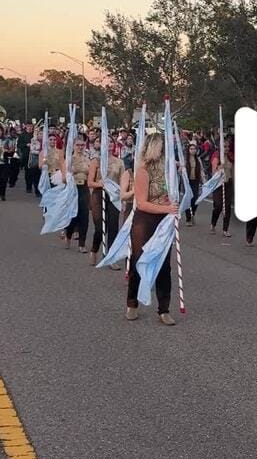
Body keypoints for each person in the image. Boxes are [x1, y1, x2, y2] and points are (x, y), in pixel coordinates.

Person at [126, 133, 178, 324]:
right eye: (163, 146)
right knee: (139, 260)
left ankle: (164, 309)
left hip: (164, 220)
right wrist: (166, 208)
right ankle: (132, 303)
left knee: (164, 265)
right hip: (145, 220)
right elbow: (141, 203)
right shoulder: (143, 171)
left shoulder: (168, 170)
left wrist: (174, 207)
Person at [87, 138, 124, 266]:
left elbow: (122, 182)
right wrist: (100, 184)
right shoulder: (96, 161)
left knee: (113, 227)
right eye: (106, 142)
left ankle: (111, 257)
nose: (109, 144)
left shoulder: (119, 162)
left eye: (111, 142)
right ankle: (94, 249)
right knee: (100, 227)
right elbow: (90, 182)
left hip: (114, 196)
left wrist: (123, 199)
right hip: (99, 194)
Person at [64, 135, 90, 253]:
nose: (80, 147)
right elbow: (65, 176)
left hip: (84, 187)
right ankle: (68, 234)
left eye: (82, 145)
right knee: (73, 215)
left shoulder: (87, 158)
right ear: (73, 146)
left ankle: (82, 244)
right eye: (78, 145)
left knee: (84, 215)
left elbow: (91, 172)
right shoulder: (69, 159)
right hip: (72, 188)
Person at [210, 137, 233, 237]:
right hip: (218, 184)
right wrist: (219, 167)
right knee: (218, 206)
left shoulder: (230, 157)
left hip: (228, 183)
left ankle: (225, 229)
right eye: (224, 146)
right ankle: (213, 223)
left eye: (227, 146)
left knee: (227, 207)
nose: (226, 148)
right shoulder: (216, 157)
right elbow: (213, 172)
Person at [184, 141, 202, 226]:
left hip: (196, 181)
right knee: (188, 200)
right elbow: (181, 170)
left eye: (194, 149)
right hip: (187, 182)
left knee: (195, 199)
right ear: (188, 150)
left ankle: (192, 214)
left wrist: (203, 180)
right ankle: (188, 219)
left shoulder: (198, 160)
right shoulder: (185, 160)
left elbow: (201, 170)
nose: (193, 150)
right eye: (191, 149)